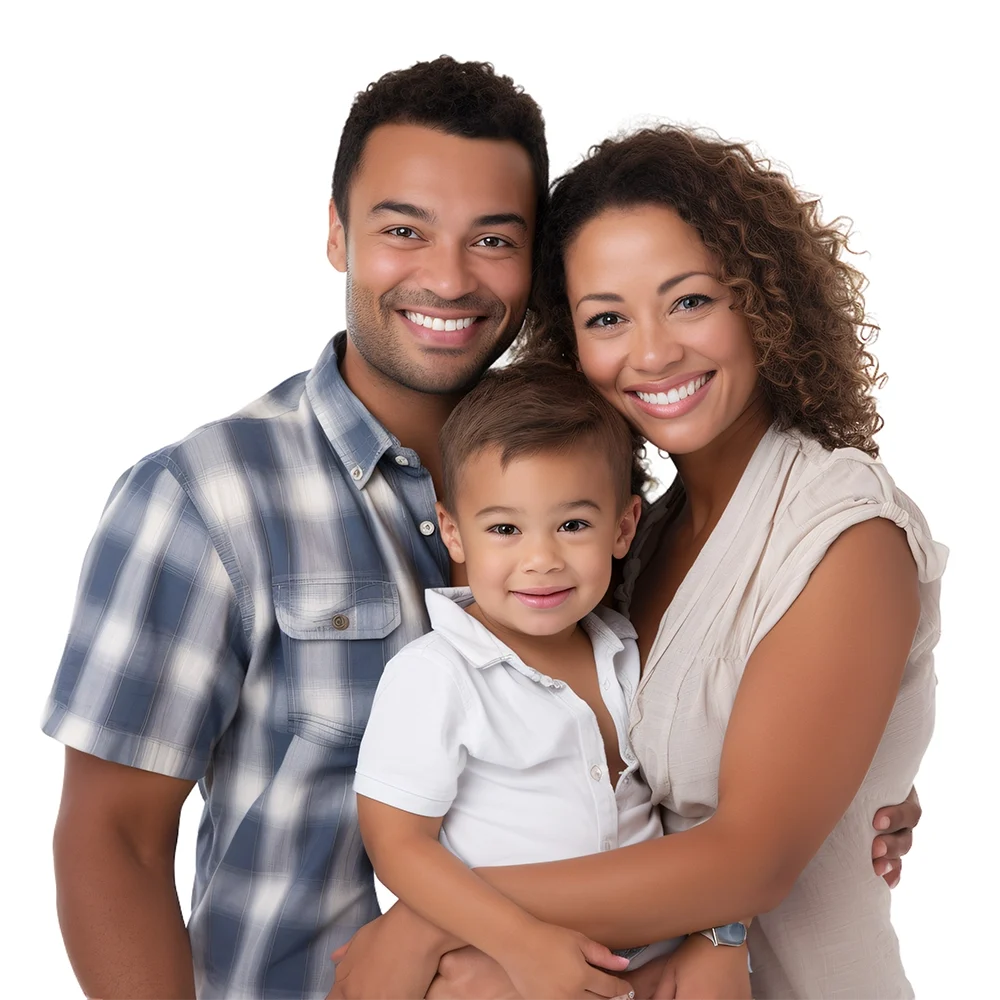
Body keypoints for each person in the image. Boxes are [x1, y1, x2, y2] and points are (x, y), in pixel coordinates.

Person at [41, 55, 922, 1000]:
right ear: (338, 233)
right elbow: (114, 840)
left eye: (493, 239)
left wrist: (860, 781)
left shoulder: (581, 493)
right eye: (403, 229)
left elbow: (703, 786)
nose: (448, 278)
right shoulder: (206, 498)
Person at [330, 126, 946, 1000]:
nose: (652, 353)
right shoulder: (632, 543)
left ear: (762, 302)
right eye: (608, 318)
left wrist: (435, 916)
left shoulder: (843, 531)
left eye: (690, 301)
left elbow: (753, 863)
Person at [354, 363, 707, 1000]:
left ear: (623, 527)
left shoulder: (630, 655)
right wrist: (524, 944)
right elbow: (399, 846)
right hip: (500, 971)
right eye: (505, 529)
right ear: (455, 531)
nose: (540, 559)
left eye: (573, 525)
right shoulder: (436, 675)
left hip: (640, 970)